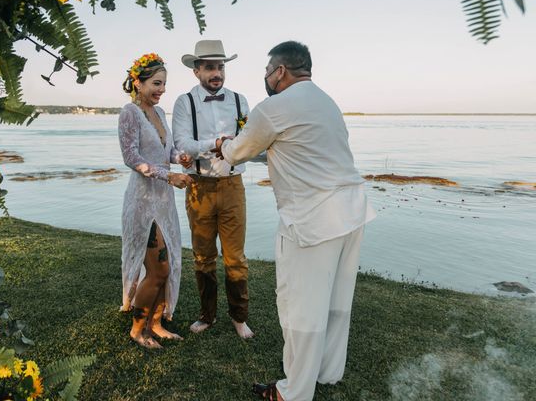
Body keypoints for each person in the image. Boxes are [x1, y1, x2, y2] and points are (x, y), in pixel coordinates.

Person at [214, 41, 376, 400]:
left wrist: (224, 143)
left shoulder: (273, 107)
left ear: (280, 71)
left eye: (267, 72)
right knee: (336, 302)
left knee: (299, 306)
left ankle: (294, 392)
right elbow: (294, 149)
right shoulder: (326, 102)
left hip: (312, 218)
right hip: (351, 211)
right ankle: (328, 372)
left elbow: (239, 150)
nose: (266, 79)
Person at [172, 40, 254, 339]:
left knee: (236, 257)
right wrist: (216, 144)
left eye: (220, 66)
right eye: (209, 67)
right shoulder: (184, 103)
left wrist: (235, 148)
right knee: (203, 256)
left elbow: (248, 141)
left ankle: (239, 317)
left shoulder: (240, 100)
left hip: (233, 186)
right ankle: (207, 315)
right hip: (199, 188)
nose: (216, 72)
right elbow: (182, 145)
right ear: (197, 72)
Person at [118, 52, 195, 349]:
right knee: (158, 268)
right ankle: (138, 329)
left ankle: (157, 323)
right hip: (142, 202)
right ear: (137, 83)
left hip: (164, 202)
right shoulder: (130, 113)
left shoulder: (161, 114)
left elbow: (168, 150)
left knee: (170, 262)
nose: (161, 90)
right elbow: (132, 158)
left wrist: (180, 157)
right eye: (155, 83)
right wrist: (169, 176)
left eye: (163, 84)